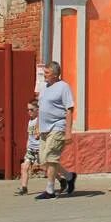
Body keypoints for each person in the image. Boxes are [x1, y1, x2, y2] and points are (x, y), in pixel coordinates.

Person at [36, 62, 77, 200]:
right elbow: (40, 108)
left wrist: (68, 132)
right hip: (43, 129)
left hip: (57, 127)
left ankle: (50, 190)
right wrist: (37, 127)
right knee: (43, 160)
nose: (44, 76)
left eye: (47, 73)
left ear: (55, 74)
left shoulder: (63, 87)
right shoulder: (44, 87)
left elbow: (69, 109)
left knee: (51, 158)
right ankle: (69, 177)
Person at [14, 100, 41, 195]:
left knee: (47, 168)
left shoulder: (40, 120)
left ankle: (62, 180)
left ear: (38, 110)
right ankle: (24, 188)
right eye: (27, 110)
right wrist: (27, 146)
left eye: (31, 109)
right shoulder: (30, 121)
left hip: (40, 149)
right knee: (24, 167)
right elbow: (30, 135)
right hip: (31, 149)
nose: (29, 111)